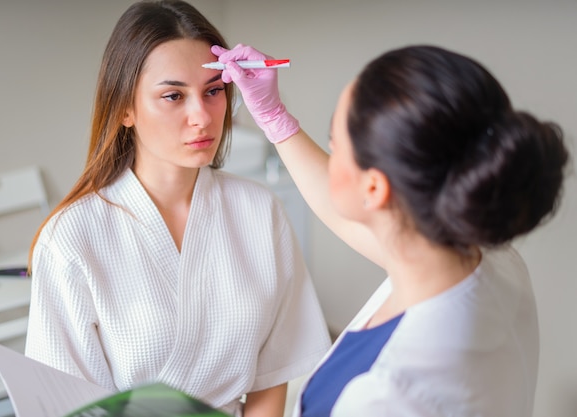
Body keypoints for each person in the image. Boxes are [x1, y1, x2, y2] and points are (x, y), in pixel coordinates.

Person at [212, 43, 570, 416]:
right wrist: (274, 117)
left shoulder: (390, 394)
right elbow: (354, 220)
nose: (330, 154)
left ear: (374, 189)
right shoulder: (491, 263)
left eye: (335, 144)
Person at [24, 2, 332, 416]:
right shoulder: (71, 238)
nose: (201, 116)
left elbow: (272, 375)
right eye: (173, 95)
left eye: (213, 91)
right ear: (125, 109)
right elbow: (63, 404)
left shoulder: (260, 211)